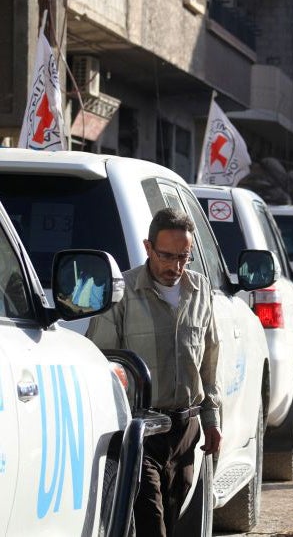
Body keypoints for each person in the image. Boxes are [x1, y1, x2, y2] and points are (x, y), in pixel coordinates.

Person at [87, 208, 221, 537]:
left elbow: (209, 361)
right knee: (150, 522)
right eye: (166, 256)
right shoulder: (123, 292)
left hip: (185, 431)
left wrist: (212, 422)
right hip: (141, 431)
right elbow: (101, 362)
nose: (175, 266)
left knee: (173, 521)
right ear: (148, 248)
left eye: (183, 257)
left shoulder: (200, 290)